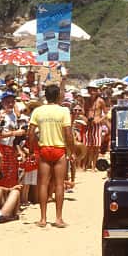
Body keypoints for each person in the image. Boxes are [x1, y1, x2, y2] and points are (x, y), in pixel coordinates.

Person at [28, 84, 75, 228]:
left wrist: (31, 150)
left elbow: (30, 133)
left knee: (43, 183)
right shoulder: (63, 111)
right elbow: (68, 133)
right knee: (59, 184)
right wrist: (71, 151)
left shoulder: (38, 111)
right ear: (58, 95)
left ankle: (42, 218)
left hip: (44, 148)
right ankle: (58, 219)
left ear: (45, 96)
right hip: (59, 149)